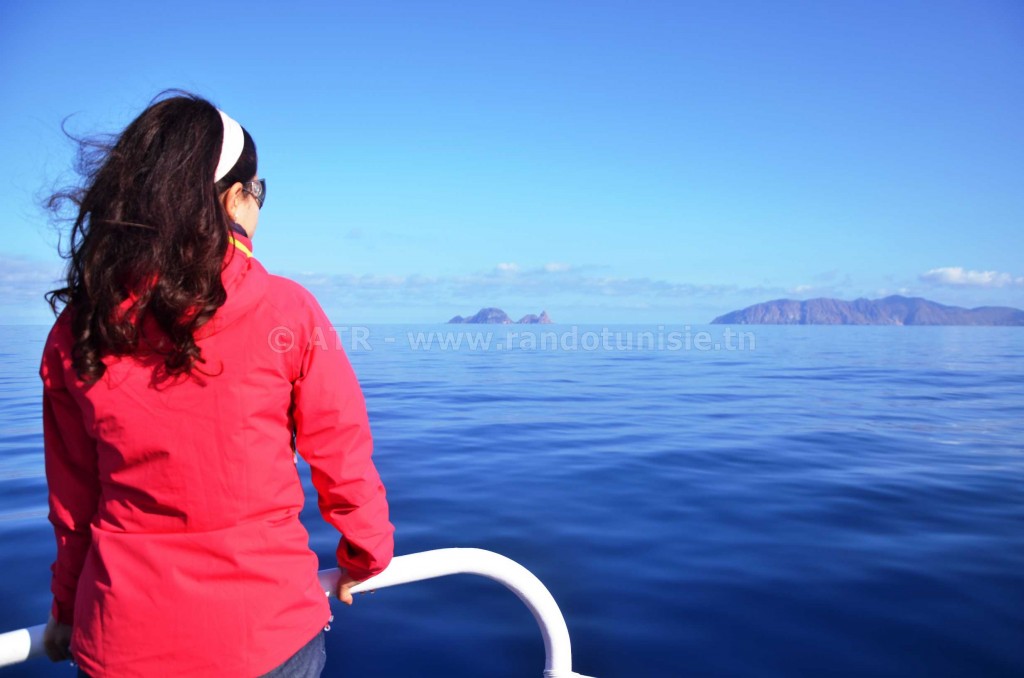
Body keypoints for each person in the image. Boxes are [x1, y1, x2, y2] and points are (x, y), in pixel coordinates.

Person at [38, 92, 395, 677]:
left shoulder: (79, 329)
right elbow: (342, 452)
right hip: (268, 636)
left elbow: (72, 504)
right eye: (258, 192)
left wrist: (65, 608)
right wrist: (366, 554)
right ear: (232, 197)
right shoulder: (290, 311)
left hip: (121, 641)